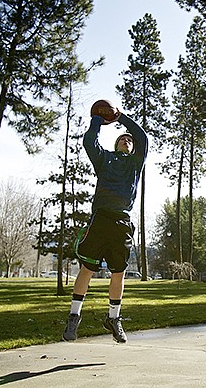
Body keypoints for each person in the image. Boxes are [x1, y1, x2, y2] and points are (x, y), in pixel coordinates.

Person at [62, 105, 148, 343]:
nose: (127, 141)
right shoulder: (105, 160)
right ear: (115, 145)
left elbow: (142, 137)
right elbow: (90, 142)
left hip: (122, 222)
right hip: (101, 218)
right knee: (87, 269)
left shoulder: (135, 164)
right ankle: (73, 317)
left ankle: (114, 318)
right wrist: (98, 120)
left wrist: (122, 118)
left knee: (118, 273)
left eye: (128, 140)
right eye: (122, 139)